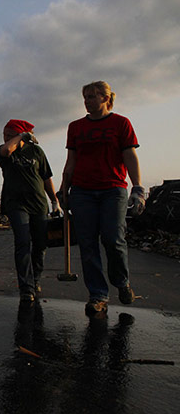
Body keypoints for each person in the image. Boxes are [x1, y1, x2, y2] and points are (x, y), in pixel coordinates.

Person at [59, 81, 145, 316]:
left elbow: (130, 155)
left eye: (93, 96)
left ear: (106, 98)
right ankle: (98, 295)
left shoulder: (120, 123)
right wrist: (63, 188)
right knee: (87, 245)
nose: (87, 100)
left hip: (113, 189)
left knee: (113, 239)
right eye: (85, 96)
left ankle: (122, 282)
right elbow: (71, 161)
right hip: (82, 191)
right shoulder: (75, 127)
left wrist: (138, 188)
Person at [0, 119, 59, 302]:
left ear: (18, 134)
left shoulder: (37, 152)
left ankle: (35, 279)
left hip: (38, 204)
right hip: (16, 204)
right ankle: (26, 287)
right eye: (4, 134)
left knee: (40, 245)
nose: (5, 137)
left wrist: (54, 200)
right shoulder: (3, 150)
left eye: (9, 134)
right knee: (23, 242)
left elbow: (46, 177)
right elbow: (7, 149)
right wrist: (19, 137)